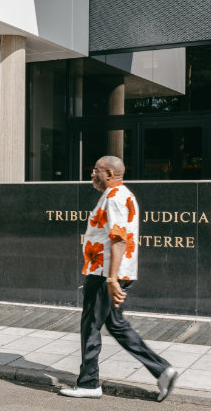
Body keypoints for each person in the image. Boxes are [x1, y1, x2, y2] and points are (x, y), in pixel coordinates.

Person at [60, 156, 179, 401]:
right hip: (112, 271)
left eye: (96, 171)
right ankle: (162, 370)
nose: (92, 175)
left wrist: (111, 280)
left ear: (110, 174)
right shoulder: (125, 195)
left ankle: (89, 383)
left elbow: (118, 239)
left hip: (105, 273)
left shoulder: (114, 198)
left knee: (91, 326)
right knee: (116, 324)